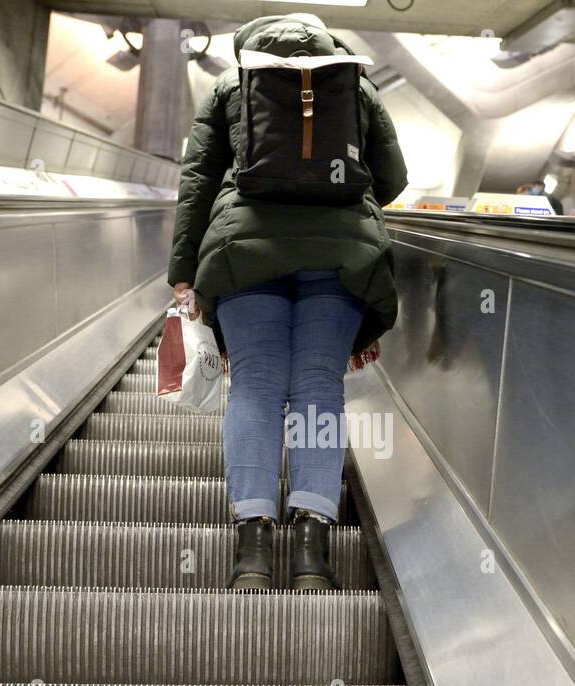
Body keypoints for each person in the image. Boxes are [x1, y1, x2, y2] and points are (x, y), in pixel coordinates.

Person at [167, 12, 408, 590]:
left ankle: (252, 547)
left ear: (252, 45)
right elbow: (393, 178)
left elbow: (197, 182)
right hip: (342, 255)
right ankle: (311, 548)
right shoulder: (357, 86)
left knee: (253, 385)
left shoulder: (232, 85)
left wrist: (183, 275)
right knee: (318, 388)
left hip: (245, 253)